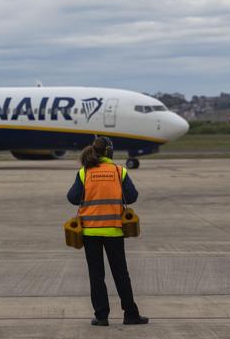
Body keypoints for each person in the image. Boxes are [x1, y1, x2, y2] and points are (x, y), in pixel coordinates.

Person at [67, 136, 149, 326]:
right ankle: (130, 314)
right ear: (109, 152)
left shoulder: (84, 172)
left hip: (90, 233)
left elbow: (72, 198)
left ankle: (102, 316)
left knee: (96, 276)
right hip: (114, 231)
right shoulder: (119, 171)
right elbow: (132, 196)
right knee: (121, 274)